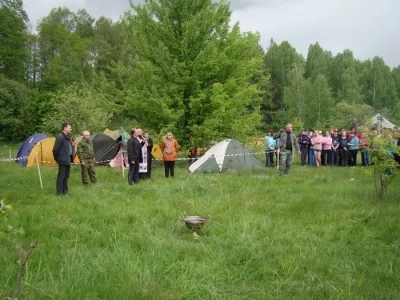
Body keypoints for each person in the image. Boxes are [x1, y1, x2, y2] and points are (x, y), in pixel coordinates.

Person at [52, 123, 73, 196]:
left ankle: (65, 192)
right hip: (62, 160)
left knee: (66, 176)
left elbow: (69, 149)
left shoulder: (68, 137)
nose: (71, 129)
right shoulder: (60, 137)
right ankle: (59, 193)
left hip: (68, 160)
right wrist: (57, 158)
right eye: (69, 128)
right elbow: (55, 150)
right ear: (65, 128)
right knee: (61, 177)